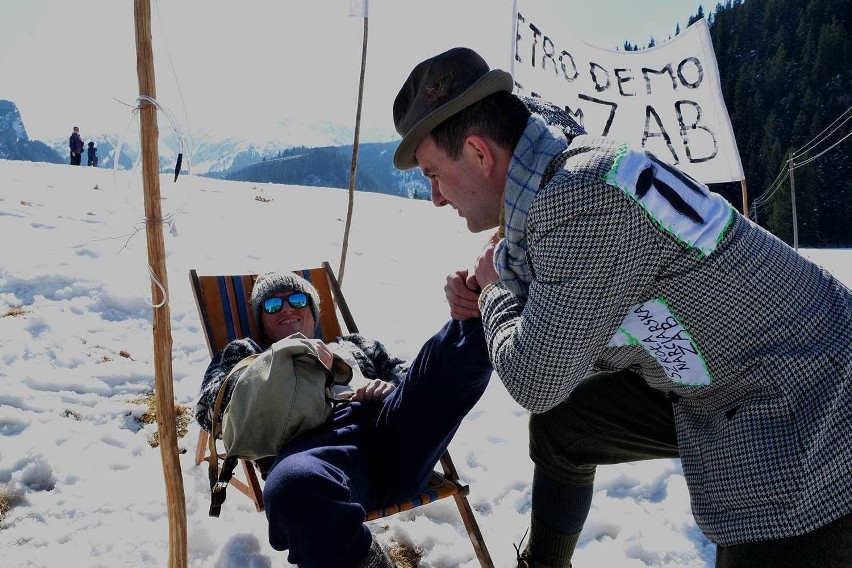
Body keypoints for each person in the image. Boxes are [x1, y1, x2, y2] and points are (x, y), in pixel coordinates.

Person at [391, 47, 852, 567]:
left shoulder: (578, 200)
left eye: (433, 173)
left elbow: (534, 380)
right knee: (567, 427)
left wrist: (494, 288)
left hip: (806, 395)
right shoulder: (555, 170)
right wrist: (497, 278)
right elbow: (562, 289)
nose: (434, 196)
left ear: (479, 152)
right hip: (719, 372)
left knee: (764, 533)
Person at [195, 271, 492, 568]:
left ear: (313, 312)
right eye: (272, 305)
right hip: (318, 452)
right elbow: (210, 410)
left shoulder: (355, 345)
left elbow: (410, 375)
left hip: (396, 430)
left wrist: (389, 390)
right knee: (294, 487)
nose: (286, 308)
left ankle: (500, 293)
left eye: (297, 300)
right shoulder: (247, 353)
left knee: (456, 349)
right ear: (262, 321)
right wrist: (279, 364)